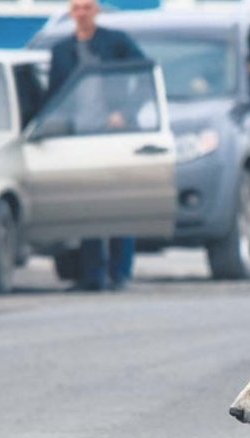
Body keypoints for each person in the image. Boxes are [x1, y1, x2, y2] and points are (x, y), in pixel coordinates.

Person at [48, 0, 145, 291]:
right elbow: (54, 95)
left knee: (120, 205)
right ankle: (91, 275)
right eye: (77, 8)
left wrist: (125, 112)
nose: (82, 13)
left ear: (98, 10)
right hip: (79, 137)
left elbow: (143, 75)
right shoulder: (62, 50)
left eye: (87, 7)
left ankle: (120, 273)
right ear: (69, 12)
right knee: (86, 207)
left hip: (115, 136)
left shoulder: (117, 43)